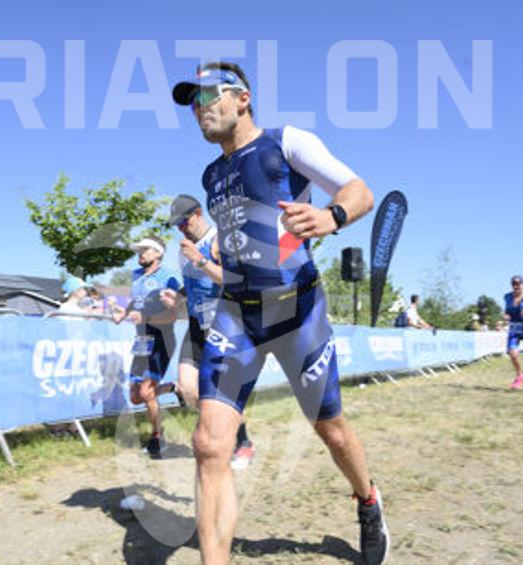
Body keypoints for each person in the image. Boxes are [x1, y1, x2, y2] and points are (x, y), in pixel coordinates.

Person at [172, 61, 388, 564]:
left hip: (297, 313)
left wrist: (332, 216)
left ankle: (367, 499)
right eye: (192, 102)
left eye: (207, 95)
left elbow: (360, 191)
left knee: (331, 429)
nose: (199, 108)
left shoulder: (286, 141)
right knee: (209, 444)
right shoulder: (212, 175)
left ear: (242, 98)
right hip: (237, 316)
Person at [160, 194, 256, 470]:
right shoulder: (183, 250)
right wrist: (176, 296)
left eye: (184, 222)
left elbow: (231, 280)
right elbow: (191, 285)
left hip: (223, 321)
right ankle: (221, 432)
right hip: (195, 323)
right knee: (188, 389)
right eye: (177, 225)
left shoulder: (219, 239)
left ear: (198, 214)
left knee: (225, 391)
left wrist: (200, 260)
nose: (181, 228)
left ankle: (242, 442)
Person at [111, 236, 181, 458]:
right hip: (142, 340)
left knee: (146, 391)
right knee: (135, 396)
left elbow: (173, 314)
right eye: (138, 250)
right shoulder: (136, 275)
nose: (140, 253)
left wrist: (146, 317)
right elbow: (136, 301)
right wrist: (123, 312)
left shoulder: (169, 277)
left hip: (162, 338)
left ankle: (158, 438)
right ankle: (173, 388)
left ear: (158, 253)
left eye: (145, 249)